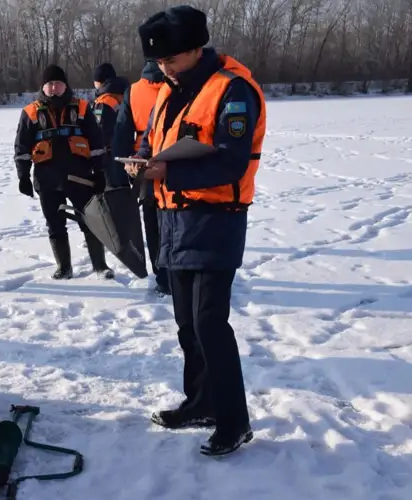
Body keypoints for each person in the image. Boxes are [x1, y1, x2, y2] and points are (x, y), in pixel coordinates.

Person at [130, 5, 266, 456]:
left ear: (195, 49)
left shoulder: (232, 90)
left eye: (171, 60)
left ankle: (234, 421)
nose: (164, 69)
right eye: (159, 63)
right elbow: (152, 138)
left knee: (210, 323)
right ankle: (201, 403)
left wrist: (167, 174)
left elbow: (230, 160)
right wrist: (141, 160)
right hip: (174, 221)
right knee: (186, 323)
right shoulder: (170, 91)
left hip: (217, 220)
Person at [14, 64, 113, 280]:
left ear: (65, 85)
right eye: (49, 84)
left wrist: (99, 172)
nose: (53, 88)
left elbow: (97, 143)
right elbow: (21, 148)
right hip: (47, 180)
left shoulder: (83, 108)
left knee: (90, 221)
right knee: (55, 225)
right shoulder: (30, 112)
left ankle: (100, 266)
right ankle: (64, 268)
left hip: (81, 178)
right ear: (43, 86)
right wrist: (22, 176)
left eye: (58, 83)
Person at [111, 60, 171, 295]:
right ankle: (179, 273)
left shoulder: (134, 91)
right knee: (176, 220)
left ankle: (162, 276)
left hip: (144, 165)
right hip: (178, 162)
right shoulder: (181, 82)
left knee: (152, 223)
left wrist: (122, 173)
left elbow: (122, 134)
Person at [91, 62, 129, 187]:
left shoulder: (103, 103)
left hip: (109, 155)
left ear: (100, 82)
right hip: (125, 150)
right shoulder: (125, 95)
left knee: (111, 194)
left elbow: (99, 131)